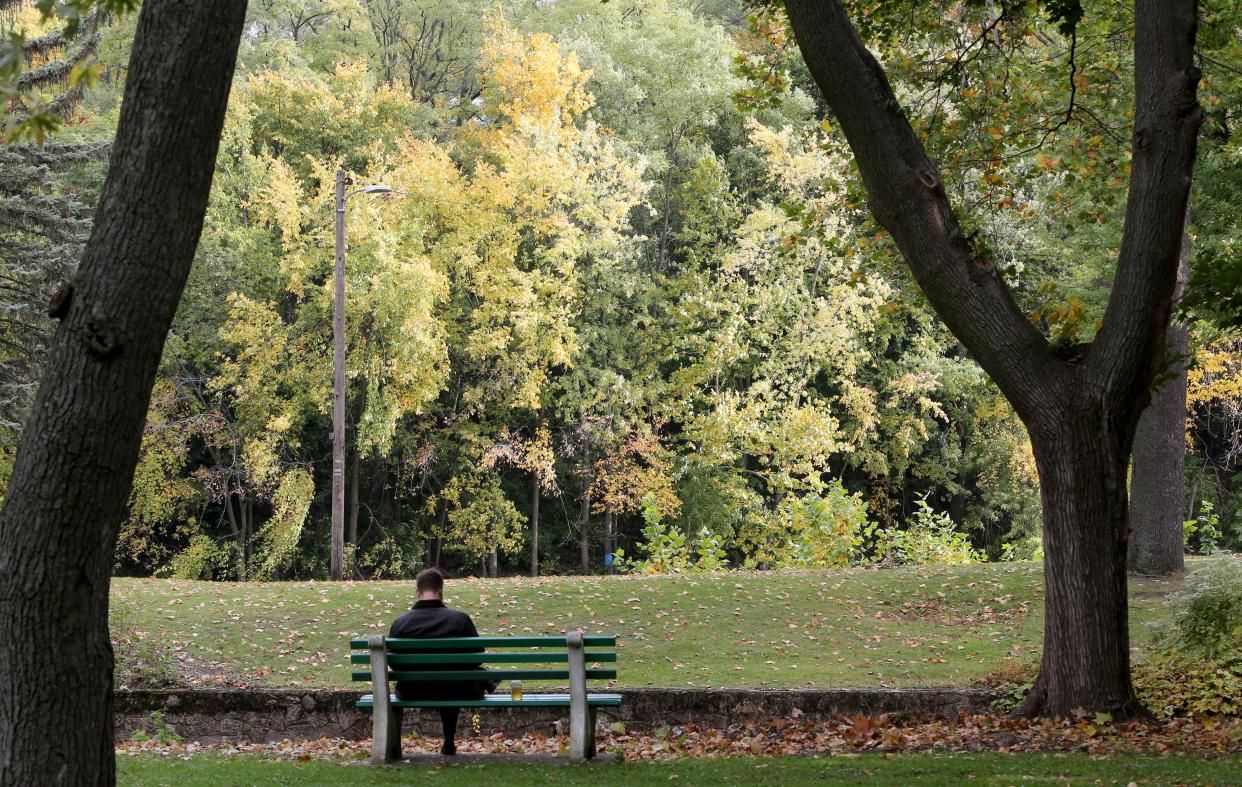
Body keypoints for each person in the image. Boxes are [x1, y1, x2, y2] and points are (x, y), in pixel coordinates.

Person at [389, 568, 495, 756]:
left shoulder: (401, 622)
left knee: (448, 681)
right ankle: (449, 739)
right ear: (441, 590)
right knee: (452, 681)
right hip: (459, 689)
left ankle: (394, 747)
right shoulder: (460, 620)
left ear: (417, 591)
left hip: (413, 690)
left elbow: (394, 663)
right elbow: (477, 656)